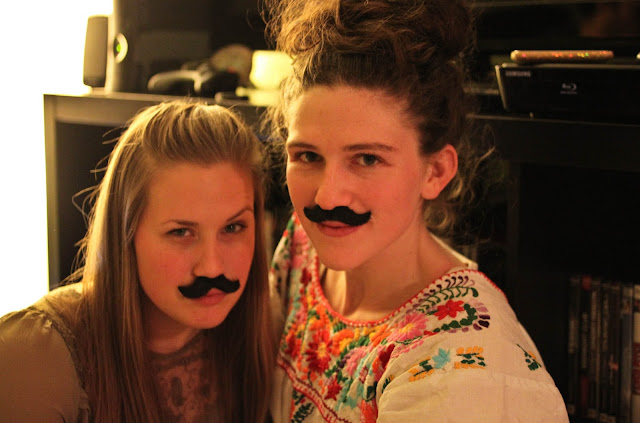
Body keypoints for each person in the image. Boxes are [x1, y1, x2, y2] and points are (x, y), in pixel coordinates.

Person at [261, 0, 570, 421]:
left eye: (367, 159)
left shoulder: (462, 368)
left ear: (435, 171)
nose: (327, 198)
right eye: (308, 156)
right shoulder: (301, 250)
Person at [0, 100, 275, 422]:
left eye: (233, 227)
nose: (212, 267)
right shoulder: (35, 357)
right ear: (126, 233)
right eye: (181, 232)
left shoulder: (270, 326)